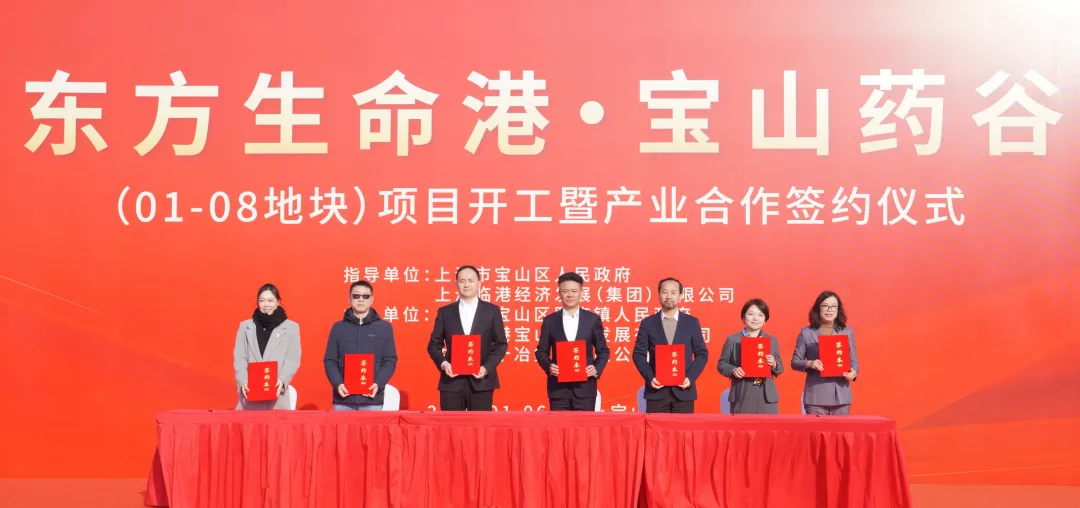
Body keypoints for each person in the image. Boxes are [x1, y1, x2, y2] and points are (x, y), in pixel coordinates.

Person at [426, 265, 508, 411]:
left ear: (479, 283)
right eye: (462, 281)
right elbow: (433, 344)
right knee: (450, 424)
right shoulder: (445, 312)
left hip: (482, 381)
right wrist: (444, 364)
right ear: (456, 284)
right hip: (451, 381)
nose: (466, 285)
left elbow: (501, 344)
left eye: (471, 280)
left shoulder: (492, 311)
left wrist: (486, 368)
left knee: (480, 425)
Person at [534, 272, 611, 411]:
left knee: (584, 425)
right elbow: (541, 352)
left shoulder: (592, 319)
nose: (570, 295)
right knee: (559, 425)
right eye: (565, 291)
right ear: (559, 293)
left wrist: (596, 368)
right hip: (558, 390)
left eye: (574, 291)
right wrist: (549, 367)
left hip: (585, 389)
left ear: (581, 292)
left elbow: (603, 350)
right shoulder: (550, 321)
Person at [632, 277, 709, 413]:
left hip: (683, 391)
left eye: (673, 292)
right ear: (658, 294)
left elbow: (702, 354)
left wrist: (690, 378)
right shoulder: (648, 323)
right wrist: (650, 377)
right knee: (656, 427)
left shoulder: (692, 323)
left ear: (681, 296)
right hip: (656, 391)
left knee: (683, 427)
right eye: (664, 292)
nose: (669, 296)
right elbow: (638, 354)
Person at [323, 280, 398, 411]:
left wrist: (378, 384)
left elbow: (390, 360)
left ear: (372, 299)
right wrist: (338, 383)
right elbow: (330, 360)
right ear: (349, 298)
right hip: (343, 398)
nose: (361, 299)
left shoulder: (384, 328)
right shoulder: (338, 328)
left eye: (365, 296)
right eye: (356, 296)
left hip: (372, 398)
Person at [232, 283, 301, 410]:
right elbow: (240, 358)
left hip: (277, 395)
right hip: (250, 394)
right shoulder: (245, 327)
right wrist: (243, 381)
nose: (266, 304)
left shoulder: (291, 328)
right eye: (262, 300)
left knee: (276, 423)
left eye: (270, 300)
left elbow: (292, 359)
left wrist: (283, 380)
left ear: (278, 302)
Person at [791, 290, 860, 415]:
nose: (830, 309)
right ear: (818, 308)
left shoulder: (846, 332)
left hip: (841, 396)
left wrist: (853, 373)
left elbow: (853, 360)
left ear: (838, 310)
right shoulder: (806, 332)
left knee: (840, 428)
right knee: (816, 429)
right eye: (825, 305)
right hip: (816, 396)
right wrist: (810, 363)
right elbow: (795, 362)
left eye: (833, 306)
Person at [717, 299, 783, 414]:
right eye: (751, 314)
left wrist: (774, 364)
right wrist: (733, 370)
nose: (755, 318)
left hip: (766, 395)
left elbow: (780, 367)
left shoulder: (772, 340)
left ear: (765, 320)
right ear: (743, 317)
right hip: (742, 393)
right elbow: (721, 364)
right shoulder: (733, 339)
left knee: (768, 426)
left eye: (760, 315)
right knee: (742, 425)